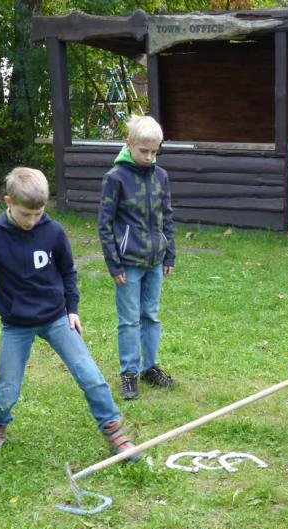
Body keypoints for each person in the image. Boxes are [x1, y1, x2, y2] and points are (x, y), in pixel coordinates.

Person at [0, 167, 140, 459]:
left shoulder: (53, 232)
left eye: (38, 214)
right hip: (16, 324)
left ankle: (113, 429)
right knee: (8, 386)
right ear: (8, 202)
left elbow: (68, 272)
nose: (32, 221)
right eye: (25, 214)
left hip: (56, 318)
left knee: (90, 374)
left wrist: (72, 309)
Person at [98, 115, 176, 400]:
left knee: (150, 316)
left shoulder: (160, 176)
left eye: (155, 151)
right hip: (128, 266)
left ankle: (149, 367)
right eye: (144, 151)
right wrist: (114, 264)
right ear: (129, 144)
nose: (149, 157)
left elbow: (167, 216)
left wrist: (169, 255)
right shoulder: (115, 178)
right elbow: (105, 224)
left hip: (155, 262)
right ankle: (129, 373)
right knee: (129, 320)